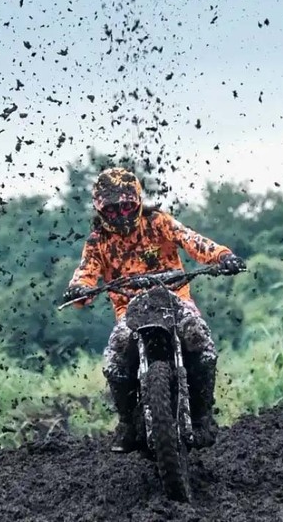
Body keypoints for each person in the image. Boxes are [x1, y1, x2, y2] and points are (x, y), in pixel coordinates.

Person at [62, 167, 246, 453]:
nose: (120, 214)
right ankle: (125, 423)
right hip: (130, 307)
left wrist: (223, 256)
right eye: (112, 210)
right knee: (115, 357)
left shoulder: (157, 222)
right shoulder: (98, 241)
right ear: (100, 210)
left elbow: (191, 240)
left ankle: (202, 415)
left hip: (174, 298)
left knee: (200, 339)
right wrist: (79, 289)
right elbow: (86, 271)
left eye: (126, 206)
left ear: (137, 201)